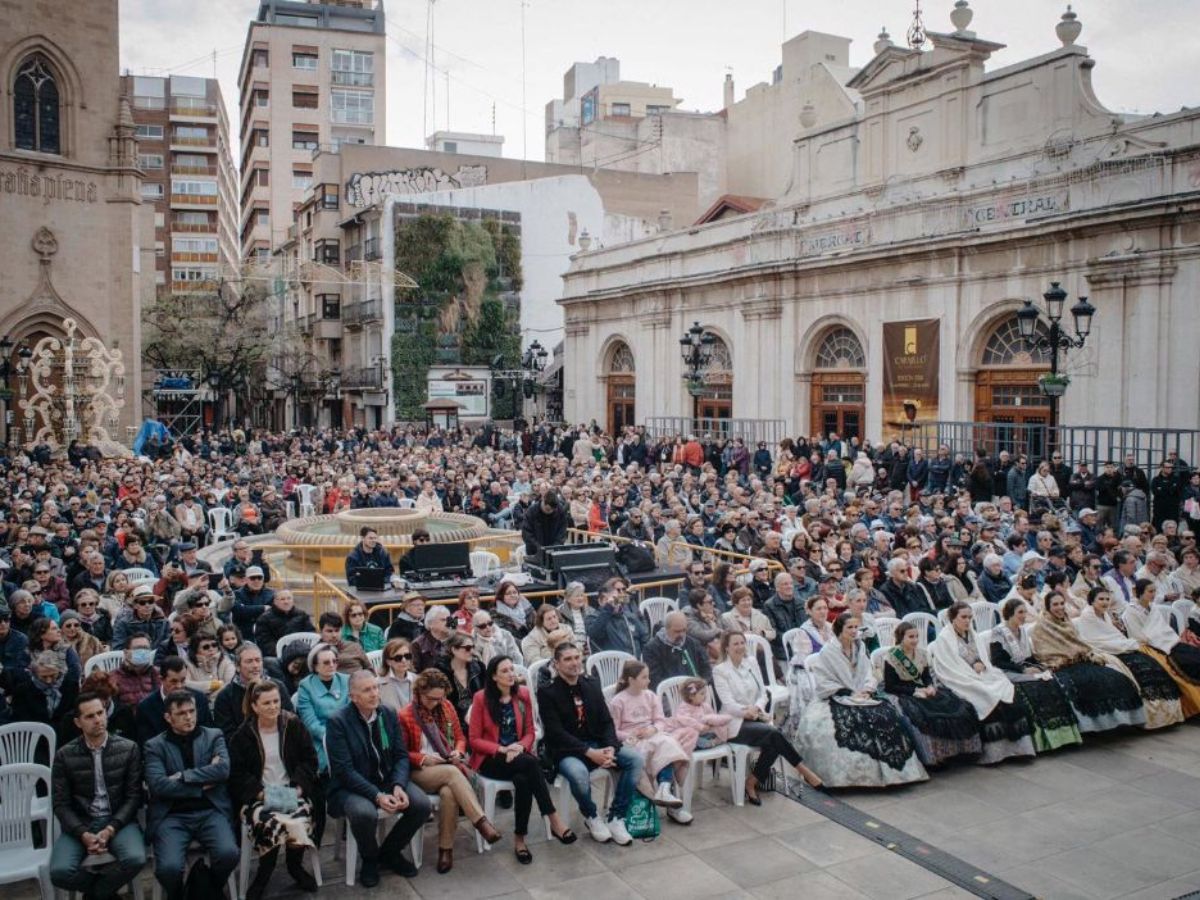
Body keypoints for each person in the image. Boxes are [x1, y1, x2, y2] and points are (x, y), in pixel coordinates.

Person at [793, 614, 928, 787]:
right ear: (839, 629)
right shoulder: (828, 651)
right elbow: (823, 682)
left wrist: (867, 689)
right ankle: (856, 778)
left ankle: (896, 774)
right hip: (836, 696)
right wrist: (849, 692)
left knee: (887, 717)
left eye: (856, 627)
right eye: (849, 627)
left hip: (863, 694)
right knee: (843, 726)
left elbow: (868, 673)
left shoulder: (860, 646)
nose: (854, 631)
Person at [325, 670, 432, 887]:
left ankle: (389, 853)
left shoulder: (388, 713)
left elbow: (401, 755)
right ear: (353, 697)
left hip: (387, 779)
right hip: (352, 787)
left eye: (376, 688)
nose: (374, 694)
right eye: (367, 690)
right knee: (364, 813)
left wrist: (399, 785)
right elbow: (344, 771)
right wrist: (377, 795)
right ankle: (370, 859)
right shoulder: (338, 722)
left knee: (421, 805)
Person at [397, 668, 502, 873]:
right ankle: (481, 822)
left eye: (439, 697)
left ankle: (446, 850)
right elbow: (401, 753)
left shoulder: (446, 707)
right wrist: (424, 758)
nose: (435, 702)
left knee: (449, 793)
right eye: (430, 698)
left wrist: (458, 751)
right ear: (418, 693)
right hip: (420, 771)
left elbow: (460, 737)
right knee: (452, 774)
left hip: (448, 766)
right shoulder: (405, 715)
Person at [537, 642, 641, 845]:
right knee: (578, 774)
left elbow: (606, 720)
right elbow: (555, 733)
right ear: (557, 664)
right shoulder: (547, 692)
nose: (574, 663)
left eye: (577, 657)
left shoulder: (591, 683)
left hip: (598, 743)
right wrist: (589, 752)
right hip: (567, 751)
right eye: (567, 659)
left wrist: (611, 746)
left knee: (635, 759)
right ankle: (592, 816)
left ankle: (616, 817)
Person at [49, 692, 147, 900]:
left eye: (100, 713)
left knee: (136, 859)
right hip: (81, 822)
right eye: (90, 716)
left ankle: (96, 895)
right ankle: (105, 893)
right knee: (59, 872)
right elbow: (60, 804)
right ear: (78, 722)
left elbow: (133, 797)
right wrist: (83, 834)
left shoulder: (128, 749)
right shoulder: (65, 755)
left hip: (118, 820)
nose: (97, 720)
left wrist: (111, 828)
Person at [143, 690, 240, 900]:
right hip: (172, 816)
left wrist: (182, 776)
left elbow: (223, 770)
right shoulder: (154, 746)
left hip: (210, 810)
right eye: (181, 713)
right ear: (168, 717)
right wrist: (200, 785)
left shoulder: (213, 735)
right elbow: (159, 785)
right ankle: (180, 894)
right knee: (168, 868)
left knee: (229, 854)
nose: (189, 717)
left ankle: (205, 889)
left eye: (192, 711)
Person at [228, 680, 320, 900]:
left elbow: (309, 760)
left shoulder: (293, 725)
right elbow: (238, 774)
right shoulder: (242, 735)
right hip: (260, 795)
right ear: (255, 706)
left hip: (293, 790)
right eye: (266, 703)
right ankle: (264, 871)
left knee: (299, 819)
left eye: (276, 701)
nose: (273, 707)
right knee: (269, 821)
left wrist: (298, 788)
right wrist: (261, 794)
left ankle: (294, 865)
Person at [714, 631, 825, 800]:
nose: (740, 647)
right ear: (726, 648)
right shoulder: (720, 671)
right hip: (734, 722)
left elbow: (763, 693)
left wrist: (756, 708)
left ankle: (751, 781)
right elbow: (728, 704)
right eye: (735, 644)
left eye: (742, 643)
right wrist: (746, 711)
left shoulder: (751, 662)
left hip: (755, 716)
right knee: (774, 734)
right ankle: (803, 770)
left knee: (774, 741)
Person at [932, 602, 1038, 763]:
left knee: (1004, 686)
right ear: (953, 618)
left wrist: (981, 667)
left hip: (981, 673)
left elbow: (984, 659)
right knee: (985, 694)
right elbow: (948, 667)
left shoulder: (973, 634)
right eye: (963, 617)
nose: (967, 621)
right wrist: (972, 672)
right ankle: (995, 753)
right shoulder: (944, 639)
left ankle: (1018, 749)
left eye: (969, 617)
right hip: (961, 678)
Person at [1030, 592, 1147, 732]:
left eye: (1062, 603)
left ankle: (1119, 722)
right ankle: (1092, 727)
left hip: (1080, 658)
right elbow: (1044, 652)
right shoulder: (1041, 626)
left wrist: (1082, 654)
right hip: (1060, 664)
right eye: (1055, 604)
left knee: (1114, 677)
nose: (1060, 607)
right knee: (1083, 683)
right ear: (1047, 607)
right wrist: (1066, 657)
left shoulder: (1067, 621)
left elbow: (1078, 643)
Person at [1075, 586, 1189, 727]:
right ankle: (1150, 717)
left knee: (1150, 664)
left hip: (1120, 646)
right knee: (1138, 671)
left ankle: (1165, 716)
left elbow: (1111, 635)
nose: (1105, 602)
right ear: (1092, 601)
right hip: (1107, 650)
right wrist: (1122, 645)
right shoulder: (1088, 616)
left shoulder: (1105, 615)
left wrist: (1124, 644)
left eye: (1107, 599)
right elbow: (1095, 640)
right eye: (1101, 599)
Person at [881, 621, 982, 766]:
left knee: (956, 705)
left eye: (916, 636)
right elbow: (891, 686)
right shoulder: (891, 656)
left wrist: (929, 686)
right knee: (924, 714)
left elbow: (926, 676)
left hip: (923, 689)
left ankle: (959, 752)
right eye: (911, 637)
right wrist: (915, 691)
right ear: (901, 637)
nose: (915, 640)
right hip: (904, 691)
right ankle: (936, 757)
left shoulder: (922, 654)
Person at [607, 660, 687, 809]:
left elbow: (660, 721)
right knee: (660, 748)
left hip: (652, 735)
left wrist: (653, 729)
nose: (649, 680)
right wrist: (631, 735)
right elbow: (613, 731)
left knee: (667, 744)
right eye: (644, 677)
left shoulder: (650, 695)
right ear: (631, 680)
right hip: (633, 741)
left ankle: (665, 788)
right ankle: (663, 792)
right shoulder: (618, 701)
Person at [1123, 578, 1200, 687]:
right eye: (1150, 591)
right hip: (1149, 645)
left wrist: (1166, 638)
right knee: (1188, 662)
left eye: (1155, 591)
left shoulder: (1153, 607)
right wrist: (1158, 640)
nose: (1154, 594)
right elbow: (1137, 635)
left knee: (1195, 654)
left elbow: (1163, 627)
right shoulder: (1130, 612)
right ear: (1140, 592)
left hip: (1167, 641)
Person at [213, 643, 294, 738]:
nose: (255, 665)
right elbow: (228, 734)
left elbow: (291, 721)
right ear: (238, 667)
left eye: (258, 660)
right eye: (249, 661)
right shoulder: (225, 696)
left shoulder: (278, 686)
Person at [295, 643, 350, 775]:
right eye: (326, 662)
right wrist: (331, 737)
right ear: (315, 666)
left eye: (334, 661)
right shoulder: (305, 686)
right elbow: (310, 723)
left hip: (347, 733)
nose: (332, 665)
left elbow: (351, 713)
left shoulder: (346, 680)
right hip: (320, 738)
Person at [136, 656, 213, 743]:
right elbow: (147, 744)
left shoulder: (200, 700)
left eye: (183, 680)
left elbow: (209, 735)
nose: (179, 686)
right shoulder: (146, 707)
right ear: (161, 679)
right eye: (174, 682)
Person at [642, 610, 712, 687]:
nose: (681, 635)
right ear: (666, 629)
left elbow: (706, 668)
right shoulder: (651, 649)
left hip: (695, 691)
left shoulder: (693, 643)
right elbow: (654, 679)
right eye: (677, 631)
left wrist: (703, 682)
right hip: (669, 692)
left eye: (684, 630)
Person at [586, 579, 648, 656]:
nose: (622, 593)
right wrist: (608, 608)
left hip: (634, 662)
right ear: (601, 600)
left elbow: (645, 638)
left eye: (624, 589)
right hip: (611, 663)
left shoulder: (629, 616)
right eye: (618, 590)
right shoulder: (593, 617)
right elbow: (594, 634)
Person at [438, 631, 485, 731]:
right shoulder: (440, 671)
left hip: (478, 716)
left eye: (473, 647)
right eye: (467, 648)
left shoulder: (479, 667)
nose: (472, 651)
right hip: (452, 721)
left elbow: (487, 694)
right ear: (454, 649)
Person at [253, 589, 314, 658]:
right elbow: (264, 643)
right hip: (276, 655)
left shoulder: (302, 615)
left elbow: (311, 633)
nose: (286, 602)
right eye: (282, 599)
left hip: (301, 653)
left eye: (289, 598)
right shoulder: (264, 619)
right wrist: (284, 652)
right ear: (275, 602)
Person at [111, 584, 167, 650]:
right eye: (142, 603)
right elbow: (118, 648)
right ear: (135, 605)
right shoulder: (123, 624)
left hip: (158, 657)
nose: (147, 605)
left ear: (154, 603)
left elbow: (169, 646)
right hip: (133, 658)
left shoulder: (163, 622)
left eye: (150, 601)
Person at [184, 631, 235, 699]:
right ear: (196, 650)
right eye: (206, 647)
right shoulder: (188, 663)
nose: (211, 649)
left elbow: (229, 686)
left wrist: (208, 697)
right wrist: (215, 685)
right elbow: (185, 684)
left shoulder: (225, 661)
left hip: (221, 702)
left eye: (214, 645)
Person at [521, 491, 568, 556]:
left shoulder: (560, 511)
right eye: (547, 509)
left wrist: (554, 547)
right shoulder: (532, 511)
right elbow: (526, 533)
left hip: (554, 551)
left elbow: (562, 532)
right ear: (543, 501)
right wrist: (539, 548)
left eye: (552, 510)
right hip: (534, 551)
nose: (550, 512)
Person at [556, 581, 596, 654]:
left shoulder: (590, 611)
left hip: (588, 651)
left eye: (581, 595)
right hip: (568, 650)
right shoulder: (558, 613)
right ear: (568, 598)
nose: (580, 598)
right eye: (577, 596)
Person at [376, 637, 417, 709]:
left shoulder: (417, 680)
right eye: (398, 658)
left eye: (407, 656)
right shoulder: (378, 684)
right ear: (388, 661)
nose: (404, 660)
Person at [411, 605, 453, 672]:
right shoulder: (418, 644)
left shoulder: (457, 640)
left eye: (449, 619)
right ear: (431, 624)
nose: (448, 622)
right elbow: (415, 672)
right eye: (443, 620)